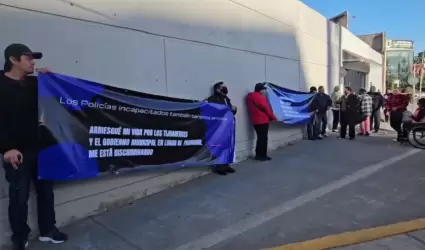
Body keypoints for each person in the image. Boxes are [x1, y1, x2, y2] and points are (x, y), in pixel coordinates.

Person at [0, 44, 68, 250]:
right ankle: (20, 236)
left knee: (46, 191)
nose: (33, 62)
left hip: (41, 148)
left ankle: (48, 229)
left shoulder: (34, 83)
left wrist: (51, 78)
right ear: (13, 60)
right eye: (28, 58)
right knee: (18, 196)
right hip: (16, 152)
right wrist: (5, 149)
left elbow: (58, 99)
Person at [205, 81, 237, 175]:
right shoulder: (212, 99)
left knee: (226, 146)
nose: (224, 88)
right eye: (222, 87)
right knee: (217, 146)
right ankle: (218, 166)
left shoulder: (226, 99)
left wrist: (234, 109)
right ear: (217, 89)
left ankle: (226, 165)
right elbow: (211, 111)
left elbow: (231, 110)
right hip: (218, 126)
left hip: (227, 126)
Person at [246, 83, 277, 161]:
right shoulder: (259, 97)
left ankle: (259, 155)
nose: (264, 91)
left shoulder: (250, 96)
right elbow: (266, 108)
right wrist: (274, 117)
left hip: (256, 120)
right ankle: (262, 155)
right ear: (261, 90)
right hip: (262, 120)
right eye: (263, 89)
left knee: (260, 138)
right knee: (263, 138)